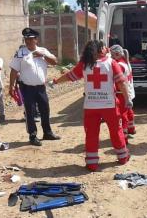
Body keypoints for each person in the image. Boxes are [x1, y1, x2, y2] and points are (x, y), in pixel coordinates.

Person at [50, 40, 131, 171]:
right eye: (105, 47)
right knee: (116, 131)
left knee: (91, 134)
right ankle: (122, 157)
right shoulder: (112, 63)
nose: (107, 49)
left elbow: (70, 76)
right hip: (109, 105)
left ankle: (92, 163)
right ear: (100, 50)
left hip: (91, 106)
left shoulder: (84, 65)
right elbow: (122, 83)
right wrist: (127, 99)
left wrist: (55, 81)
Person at [9, 27, 60, 146]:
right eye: (26, 39)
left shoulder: (43, 50)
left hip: (41, 87)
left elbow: (55, 62)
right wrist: (11, 86)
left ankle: (47, 132)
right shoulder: (21, 53)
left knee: (45, 110)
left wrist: (43, 55)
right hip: (27, 88)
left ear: (36, 39)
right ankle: (32, 135)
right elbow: (13, 70)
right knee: (30, 112)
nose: (28, 41)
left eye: (31, 39)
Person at [110, 44, 136, 143]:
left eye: (112, 55)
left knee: (122, 115)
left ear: (117, 54)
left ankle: (124, 137)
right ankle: (131, 128)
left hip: (121, 93)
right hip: (128, 91)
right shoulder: (125, 62)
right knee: (129, 111)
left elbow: (117, 81)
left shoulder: (119, 65)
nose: (111, 57)